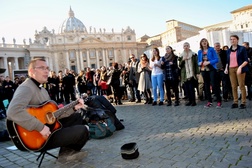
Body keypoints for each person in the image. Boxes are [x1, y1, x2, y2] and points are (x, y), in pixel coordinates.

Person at [7, 58, 89, 161]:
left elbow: (53, 115)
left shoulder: (43, 90)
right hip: (38, 137)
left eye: (47, 68)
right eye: (42, 68)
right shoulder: (26, 87)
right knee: (84, 130)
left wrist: (74, 107)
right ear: (32, 71)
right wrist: (40, 127)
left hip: (49, 129)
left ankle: (66, 152)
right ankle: (66, 153)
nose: (47, 71)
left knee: (77, 116)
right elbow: (13, 111)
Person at [224, 35, 249, 109]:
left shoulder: (242, 49)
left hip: (240, 68)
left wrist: (240, 67)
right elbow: (227, 61)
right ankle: (235, 102)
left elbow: (246, 60)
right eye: (231, 39)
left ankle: (243, 102)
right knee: (233, 86)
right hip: (231, 69)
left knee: (241, 85)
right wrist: (226, 68)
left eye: (234, 39)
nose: (232, 41)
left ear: (237, 40)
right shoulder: (228, 50)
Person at [198, 38, 221, 108]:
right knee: (206, 86)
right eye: (202, 42)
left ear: (207, 42)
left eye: (205, 41)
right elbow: (198, 61)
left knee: (214, 84)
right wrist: (200, 63)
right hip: (204, 69)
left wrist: (209, 62)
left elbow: (216, 59)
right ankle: (209, 101)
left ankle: (219, 101)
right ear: (201, 43)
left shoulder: (211, 49)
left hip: (211, 68)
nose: (204, 43)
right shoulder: (199, 51)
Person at [179, 42, 199, 106]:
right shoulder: (181, 55)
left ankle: (193, 101)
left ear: (189, 46)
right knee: (187, 89)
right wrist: (183, 60)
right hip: (185, 74)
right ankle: (189, 101)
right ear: (183, 47)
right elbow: (179, 65)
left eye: (187, 45)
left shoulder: (193, 55)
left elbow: (196, 64)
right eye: (185, 46)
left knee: (191, 88)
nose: (186, 47)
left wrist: (197, 73)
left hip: (192, 73)